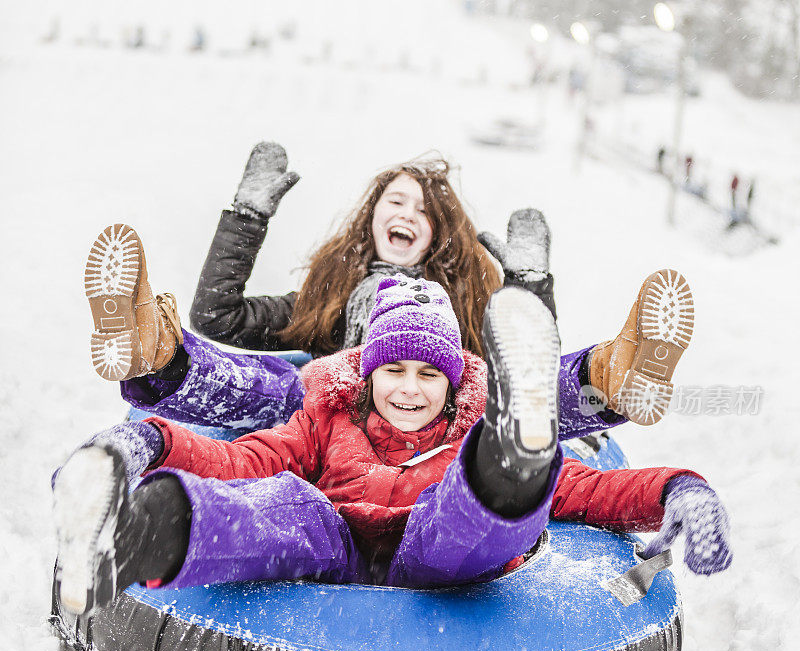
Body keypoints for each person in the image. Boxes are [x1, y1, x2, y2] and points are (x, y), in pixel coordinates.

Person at [54, 277, 731, 618]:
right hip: (337, 549)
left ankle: (517, 448)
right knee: (293, 509)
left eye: (430, 374)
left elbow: (592, 490)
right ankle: (129, 540)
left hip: (441, 556)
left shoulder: (464, 425)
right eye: (395, 371)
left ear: (455, 380)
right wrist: (148, 440)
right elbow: (243, 462)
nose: (410, 389)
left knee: (462, 508)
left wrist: (681, 490)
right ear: (367, 372)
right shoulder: (323, 417)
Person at [86, 146, 695, 439]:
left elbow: (527, 361)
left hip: (441, 419)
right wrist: (246, 216)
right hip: (334, 415)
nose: (408, 213)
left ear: (438, 235)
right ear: (372, 218)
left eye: (424, 210)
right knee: (275, 388)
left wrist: (528, 288)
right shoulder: (332, 301)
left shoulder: (457, 308)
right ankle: (154, 350)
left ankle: (616, 377)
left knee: (522, 403)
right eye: (395, 201)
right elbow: (219, 314)